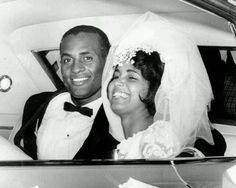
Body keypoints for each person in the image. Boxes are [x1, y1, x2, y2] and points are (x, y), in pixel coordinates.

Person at [101, 12, 226, 159]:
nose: (118, 82)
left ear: (155, 89)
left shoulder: (159, 144)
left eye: (132, 77)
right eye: (116, 75)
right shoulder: (116, 136)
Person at [14, 25, 118, 160]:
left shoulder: (119, 116)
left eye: (87, 58)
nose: (75, 69)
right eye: (67, 60)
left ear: (108, 62)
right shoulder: (36, 103)